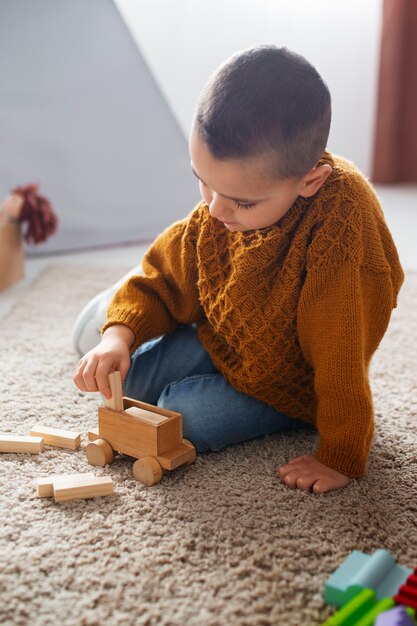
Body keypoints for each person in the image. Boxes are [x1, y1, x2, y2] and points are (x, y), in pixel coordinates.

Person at [73, 45, 404, 494]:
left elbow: (341, 359)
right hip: (228, 334)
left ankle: (281, 413)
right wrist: (119, 334)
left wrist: (341, 454)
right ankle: (108, 315)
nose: (214, 209)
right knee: (122, 374)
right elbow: (167, 271)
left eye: (241, 201)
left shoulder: (341, 235)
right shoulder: (221, 207)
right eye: (203, 182)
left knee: (180, 416)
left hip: (295, 379)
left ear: (309, 182)